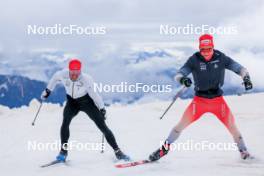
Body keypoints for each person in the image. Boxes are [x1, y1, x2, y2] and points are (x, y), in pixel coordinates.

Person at [149, 34, 253, 161]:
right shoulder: (194, 59)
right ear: (199, 49)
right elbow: (179, 74)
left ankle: (243, 151)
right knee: (180, 126)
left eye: (209, 49)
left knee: (232, 126)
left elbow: (240, 68)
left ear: (213, 47)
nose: (206, 53)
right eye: (203, 50)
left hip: (218, 101)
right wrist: (183, 79)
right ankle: (163, 150)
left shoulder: (221, 58)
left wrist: (246, 78)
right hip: (199, 102)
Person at [41, 59, 130, 162]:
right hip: (71, 102)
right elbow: (55, 78)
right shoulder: (63, 74)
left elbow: (94, 94)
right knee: (65, 122)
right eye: (72, 72)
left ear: (80, 71)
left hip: (86, 102)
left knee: (102, 125)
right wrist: (48, 90)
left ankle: (118, 151)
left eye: (77, 72)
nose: (75, 74)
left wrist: (102, 108)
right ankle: (63, 152)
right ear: (69, 70)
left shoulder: (86, 79)